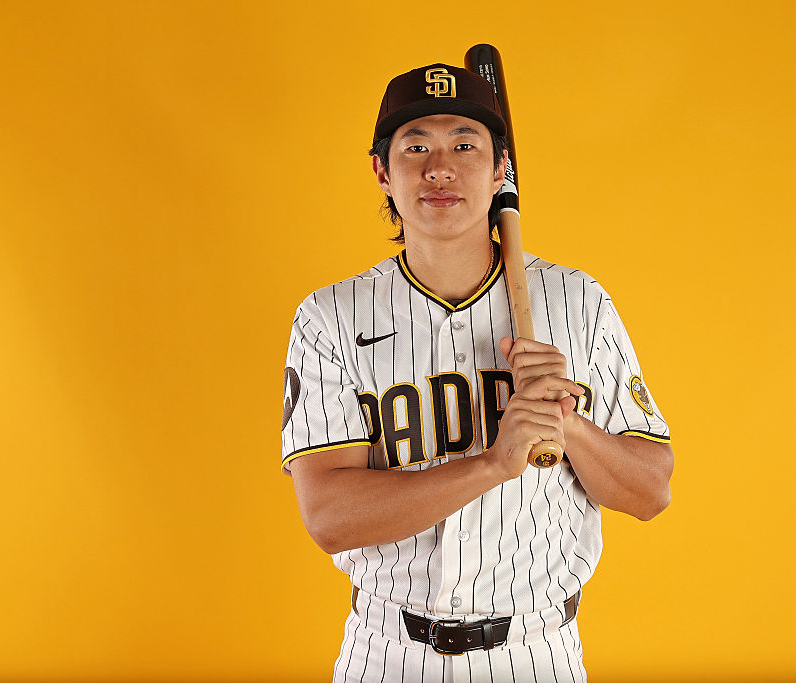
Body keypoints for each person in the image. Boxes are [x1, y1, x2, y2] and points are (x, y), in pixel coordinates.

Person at [281, 61, 674, 682]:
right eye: (416, 147)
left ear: (499, 171)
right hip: (387, 652)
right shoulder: (330, 316)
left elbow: (650, 491)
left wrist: (566, 422)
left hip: (536, 652)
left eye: (465, 145)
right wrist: (493, 463)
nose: (440, 168)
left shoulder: (578, 301)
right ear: (383, 172)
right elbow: (330, 517)